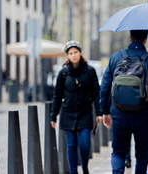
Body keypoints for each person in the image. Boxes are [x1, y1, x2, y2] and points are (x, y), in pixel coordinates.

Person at [100, 30, 148, 174]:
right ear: (146, 40)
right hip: (143, 115)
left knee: (118, 153)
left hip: (118, 114)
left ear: (130, 38)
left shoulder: (116, 57)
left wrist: (104, 111)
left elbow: (104, 87)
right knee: (142, 156)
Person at [50, 40, 102, 174]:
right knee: (71, 145)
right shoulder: (63, 73)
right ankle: (73, 172)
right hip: (68, 113)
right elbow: (57, 95)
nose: (73, 55)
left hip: (85, 113)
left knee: (84, 144)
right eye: (70, 53)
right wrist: (53, 115)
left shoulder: (90, 71)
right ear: (67, 55)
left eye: (75, 52)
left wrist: (99, 112)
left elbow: (96, 93)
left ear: (80, 53)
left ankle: (84, 167)